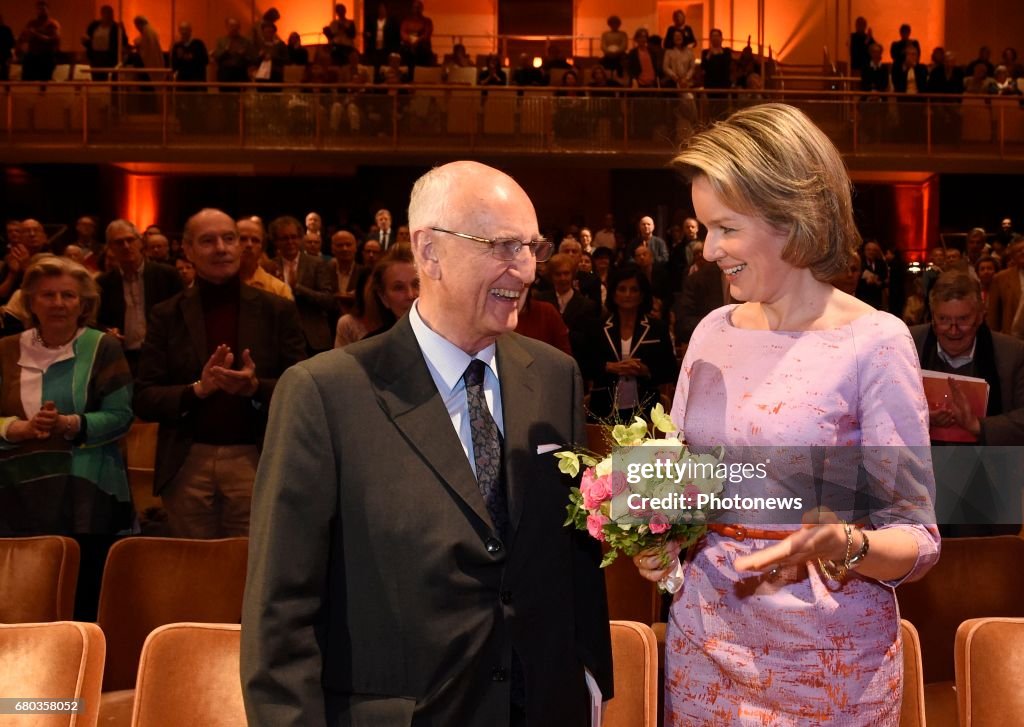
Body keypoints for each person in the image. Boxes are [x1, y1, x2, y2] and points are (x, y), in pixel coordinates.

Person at [242, 160, 612, 726]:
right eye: (504, 245)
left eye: (531, 246)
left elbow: (574, 552)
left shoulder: (555, 374)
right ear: (430, 251)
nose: (527, 268)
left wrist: (587, 675)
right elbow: (281, 610)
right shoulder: (323, 393)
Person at [632, 103, 939, 725]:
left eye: (726, 229)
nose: (709, 250)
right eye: (704, 229)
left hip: (828, 670)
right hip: (702, 657)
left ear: (792, 218)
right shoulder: (712, 329)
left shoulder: (874, 342)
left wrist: (845, 542)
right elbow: (678, 476)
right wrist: (652, 537)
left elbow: (918, 539)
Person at [134, 209, 306, 539]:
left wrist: (255, 388)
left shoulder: (277, 310)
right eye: (208, 240)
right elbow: (144, 397)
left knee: (250, 572)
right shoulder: (166, 314)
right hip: (187, 461)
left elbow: (300, 387)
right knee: (194, 574)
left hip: (255, 457)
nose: (221, 248)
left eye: (230, 238)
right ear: (187, 249)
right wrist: (197, 390)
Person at [585, 263, 676, 421]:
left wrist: (645, 370)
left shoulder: (657, 328)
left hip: (645, 409)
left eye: (634, 290)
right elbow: (585, 366)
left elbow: (670, 369)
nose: (628, 294)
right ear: (613, 294)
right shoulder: (597, 327)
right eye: (622, 289)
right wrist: (609, 367)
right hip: (604, 409)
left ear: (642, 295)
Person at [82, 5, 127, 81]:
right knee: (97, 78)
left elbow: (124, 41)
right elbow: (88, 39)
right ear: (102, 14)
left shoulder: (116, 27)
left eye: (111, 13)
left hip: (110, 57)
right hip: (96, 57)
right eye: (107, 13)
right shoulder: (94, 25)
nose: (110, 16)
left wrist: (122, 30)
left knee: (111, 78)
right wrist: (85, 42)